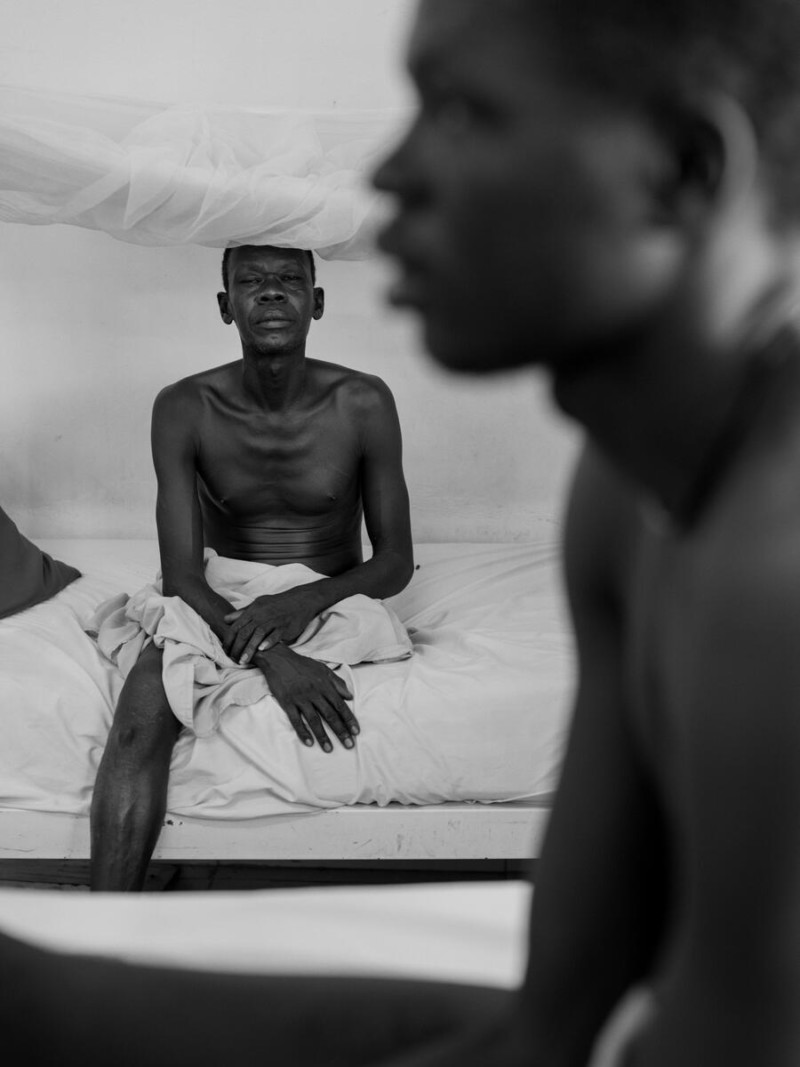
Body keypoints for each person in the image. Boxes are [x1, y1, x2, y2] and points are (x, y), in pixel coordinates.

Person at [3, 0, 800, 1064]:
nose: (384, 175)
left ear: (687, 166)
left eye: (462, 112)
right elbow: (552, 1022)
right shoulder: (623, 493)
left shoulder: (772, 556)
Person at [89, 243, 414, 891]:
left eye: (290, 279)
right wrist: (271, 650)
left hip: (328, 596)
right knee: (136, 724)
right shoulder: (184, 406)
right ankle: (101, 930)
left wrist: (300, 604)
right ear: (225, 305)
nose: (271, 292)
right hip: (220, 598)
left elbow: (397, 562)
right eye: (252, 281)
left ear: (316, 302)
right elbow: (182, 576)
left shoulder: (363, 401)